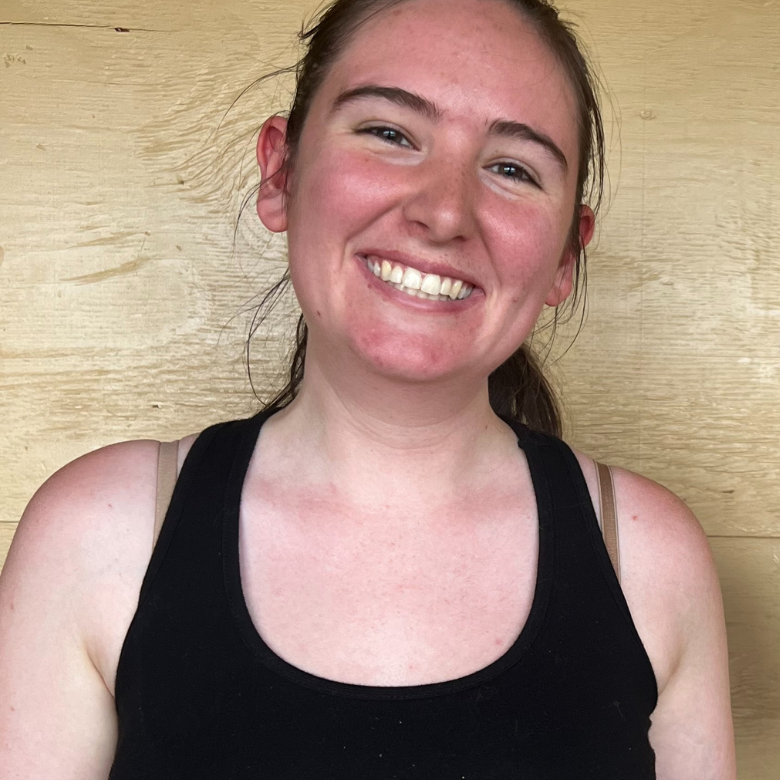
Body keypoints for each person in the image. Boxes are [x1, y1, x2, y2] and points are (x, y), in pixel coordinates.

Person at [0, 0, 736, 777]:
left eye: (513, 169)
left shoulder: (650, 558)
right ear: (282, 171)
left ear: (564, 258)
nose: (445, 211)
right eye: (389, 133)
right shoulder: (98, 537)